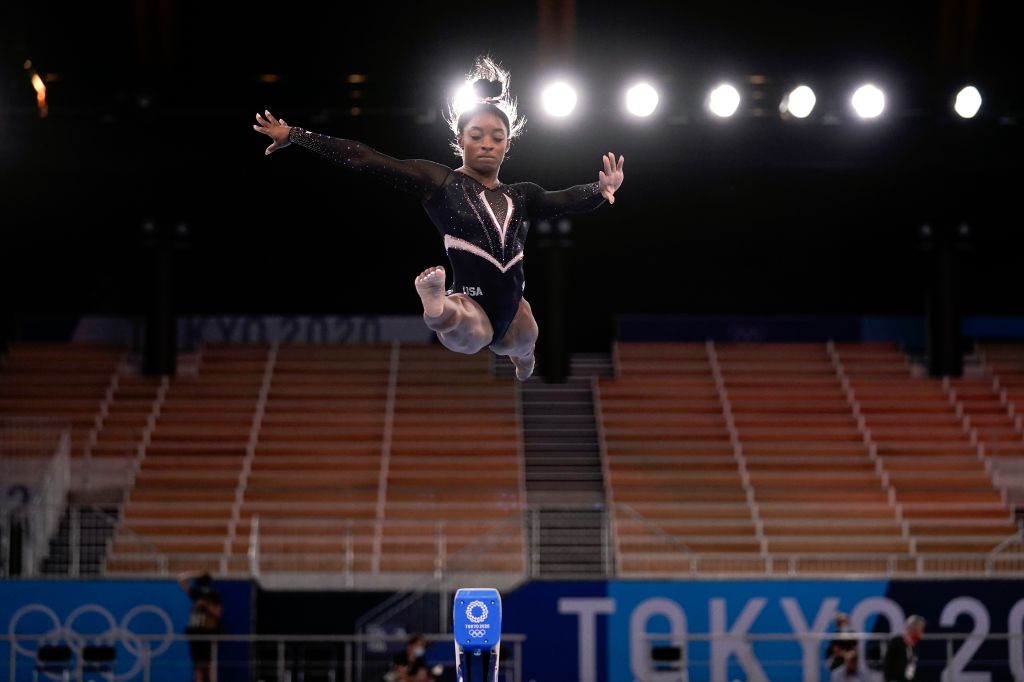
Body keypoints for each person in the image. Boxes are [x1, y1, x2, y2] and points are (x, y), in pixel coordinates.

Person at [252, 57, 624, 380]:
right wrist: (297, 136)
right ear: (460, 140)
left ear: (508, 144)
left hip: (513, 310)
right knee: (468, 330)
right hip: (471, 303)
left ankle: (523, 360)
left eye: (497, 137)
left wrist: (598, 189)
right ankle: (437, 306)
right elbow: (367, 159)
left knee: (525, 337)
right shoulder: (441, 183)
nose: (487, 143)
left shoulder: (522, 195)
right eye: (476, 135)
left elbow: (564, 200)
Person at [178, 572, 224, 682]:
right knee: (197, 665)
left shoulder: (214, 596)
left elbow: (218, 613)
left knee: (208, 664)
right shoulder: (196, 594)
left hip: (208, 633)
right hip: (195, 633)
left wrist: (206, 606)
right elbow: (181, 580)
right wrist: (196, 575)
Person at [882, 615, 925, 682]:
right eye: (921, 629)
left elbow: (911, 669)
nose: (921, 632)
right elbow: (887, 664)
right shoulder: (896, 642)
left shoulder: (913, 646)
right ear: (913, 629)